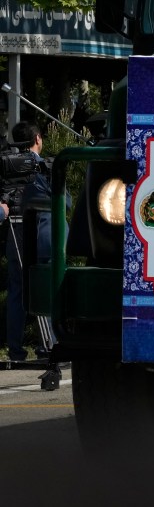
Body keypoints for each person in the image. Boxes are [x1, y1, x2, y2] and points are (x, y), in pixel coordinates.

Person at [2, 122, 51, 363]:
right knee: (43, 288)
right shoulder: (40, 166)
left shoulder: (7, 166)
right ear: (38, 139)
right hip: (41, 230)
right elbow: (61, 201)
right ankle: (48, 347)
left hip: (15, 232)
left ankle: (15, 350)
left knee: (17, 292)